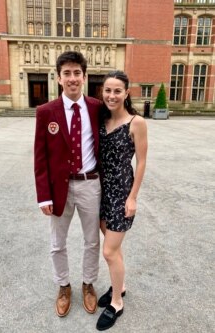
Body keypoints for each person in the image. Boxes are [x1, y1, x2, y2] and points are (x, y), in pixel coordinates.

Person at [34, 51, 101, 318]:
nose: (72, 78)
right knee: (57, 243)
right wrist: (43, 196)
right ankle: (63, 286)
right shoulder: (45, 112)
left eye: (77, 73)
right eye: (67, 73)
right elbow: (40, 157)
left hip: (90, 185)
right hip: (59, 188)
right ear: (59, 78)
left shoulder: (97, 108)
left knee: (92, 241)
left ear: (84, 77)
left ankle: (88, 283)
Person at [96, 71, 148, 331]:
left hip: (120, 193)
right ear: (102, 92)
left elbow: (141, 162)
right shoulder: (101, 118)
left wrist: (133, 197)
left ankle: (116, 302)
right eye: (108, 90)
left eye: (117, 91)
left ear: (127, 93)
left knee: (108, 251)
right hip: (100, 191)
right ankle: (122, 285)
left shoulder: (136, 123)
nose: (112, 95)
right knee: (113, 248)